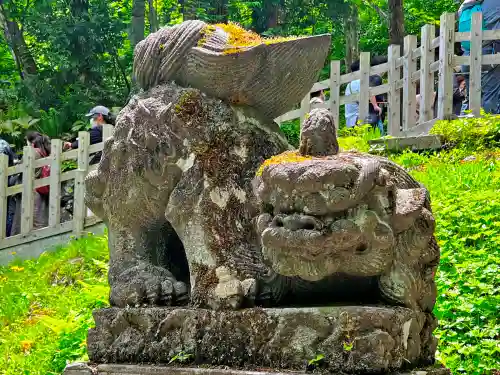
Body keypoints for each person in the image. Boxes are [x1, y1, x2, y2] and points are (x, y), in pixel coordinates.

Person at [11, 132, 52, 235]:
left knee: (28, 220)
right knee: (40, 217)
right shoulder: (45, 152)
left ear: (31, 142)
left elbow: (19, 169)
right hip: (42, 189)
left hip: (31, 190)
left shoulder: (32, 152)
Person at [345, 62, 383, 128]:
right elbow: (369, 91)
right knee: (378, 125)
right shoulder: (360, 82)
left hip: (350, 121)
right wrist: (375, 106)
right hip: (359, 120)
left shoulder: (349, 85)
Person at [0, 138, 18, 236]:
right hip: (7, 179)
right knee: (9, 210)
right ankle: (7, 234)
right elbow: (14, 160)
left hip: (6, 180)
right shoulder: (3, 143)